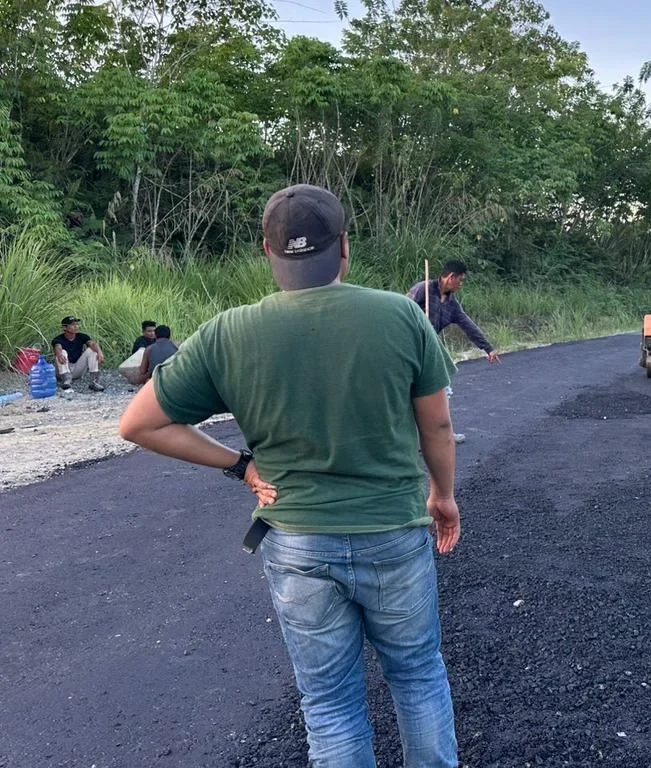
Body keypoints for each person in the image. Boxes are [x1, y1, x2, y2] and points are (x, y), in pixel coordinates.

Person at [119, 184, 462, 767]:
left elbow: (139, 423)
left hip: (298, 540)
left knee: (330, 702)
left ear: (267, 250)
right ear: (344, 246)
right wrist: (443, 496)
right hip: (392, 531)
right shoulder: (400, 315)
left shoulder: (229, 331)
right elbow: (437, 425)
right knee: (417, 676)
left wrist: (241, 465)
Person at [407, 261, 500, 444]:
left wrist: (488, 348)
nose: (461, 284)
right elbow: (402, 311)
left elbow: (468, 326)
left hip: (430, 350)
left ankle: (443, 434)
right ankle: (414, 438)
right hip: (410, 347)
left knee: (442, 388)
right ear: (450, 277)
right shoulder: (423, 289)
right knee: (410, 393)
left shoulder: (452, 305)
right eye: (460, 280)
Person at [51, 316, 106, 392]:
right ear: (64, 328)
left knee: (92, 350)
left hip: (77, 368)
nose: (76, 326)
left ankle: (94, 382)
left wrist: (99, 352)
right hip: (64, 368)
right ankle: (66, 381)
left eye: (77, 324)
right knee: (62, 352)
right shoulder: (58, 339)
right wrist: (59, 354)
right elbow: (58, 347)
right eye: (73, 325)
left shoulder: (81, 336)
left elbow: (92, 343)